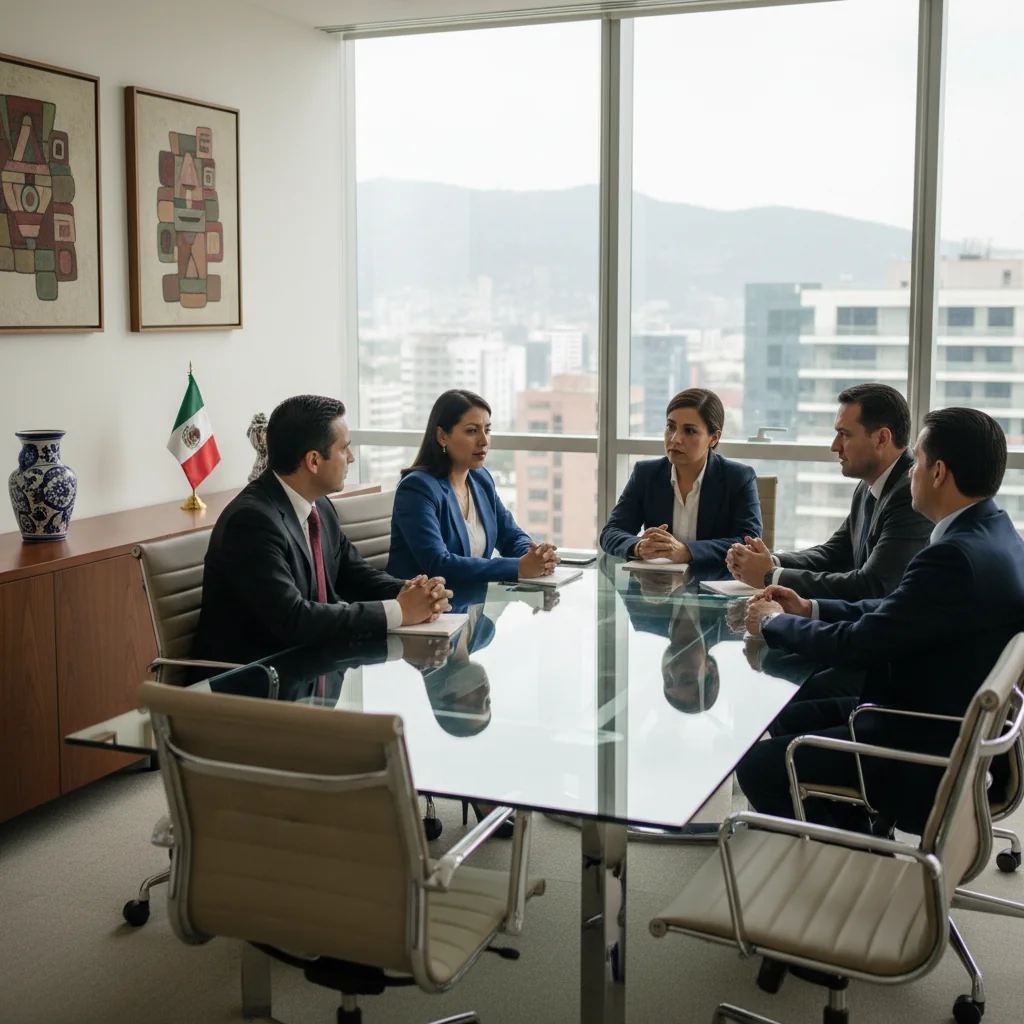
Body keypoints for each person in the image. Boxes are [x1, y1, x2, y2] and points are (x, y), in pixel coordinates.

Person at [736, 408, 1024, 836]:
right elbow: (896, 611)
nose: (910, 472)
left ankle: (847, 856)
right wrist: (809, 608)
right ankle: (860, 833)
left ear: (939, 472)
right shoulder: (997, 533)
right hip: (948, 721)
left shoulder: (952, 557)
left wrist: (773, 624)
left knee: (758, 767)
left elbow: (860, 644)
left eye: (918, 461)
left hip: (925, 751)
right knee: (790, 716)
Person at [192, 394, 451, 669]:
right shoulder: (251, 522)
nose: (351, 458)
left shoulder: (320, 506)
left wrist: (413, 592)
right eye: (344, 449)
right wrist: (400, 611)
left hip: (313, 666)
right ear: (314, 461)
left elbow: (354, 576)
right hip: (252, 679)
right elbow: (294, 619)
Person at [727, 383, 931, 600]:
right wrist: (771, 562)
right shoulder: (869, 485)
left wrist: (771, 576)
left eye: (844, 434)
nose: (835, 446)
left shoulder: (910, 494)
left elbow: (872, 586)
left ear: (882, 438)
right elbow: (835, 553)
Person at [388, 389, 559, 585]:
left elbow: (510, 536)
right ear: (442, 436)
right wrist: (518, 567)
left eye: (487, 430)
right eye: (472, 431)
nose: (484, 441)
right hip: (429, 603)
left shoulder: (480, 479)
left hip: (474, 601)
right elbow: (439, 564)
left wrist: (537, 556)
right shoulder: (417, 489)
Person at [599, 388, 762, 573]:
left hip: (716, 585)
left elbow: (748, 543)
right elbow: (611, 532)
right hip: (656, 586)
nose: (675, 439)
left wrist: (686, 551)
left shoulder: (739, 478)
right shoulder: (646, 474)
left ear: (714, 438)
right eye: (671, 427)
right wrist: (639, 547)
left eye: (689, 431)